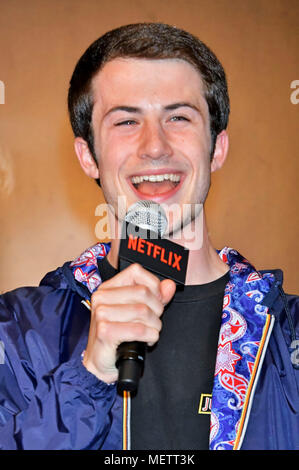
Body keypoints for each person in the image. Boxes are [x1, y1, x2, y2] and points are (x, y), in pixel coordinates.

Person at [0, 22, 298, 451]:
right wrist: (88, 378)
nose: (154, 146)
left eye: (178, 117)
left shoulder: (288, 338)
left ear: (217, 148)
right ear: (88, 156)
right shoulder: (17, 334)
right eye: (125, 121)